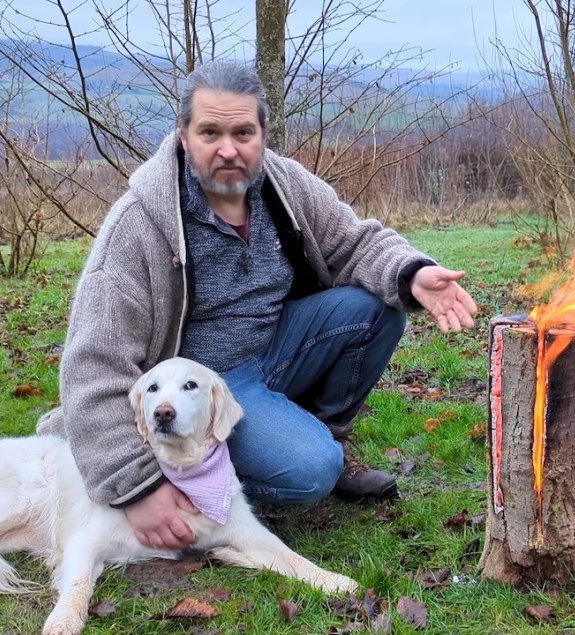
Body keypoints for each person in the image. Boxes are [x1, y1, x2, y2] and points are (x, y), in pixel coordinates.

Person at [36, 60, 477, 551]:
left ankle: (329, 435)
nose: (229, 149)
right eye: (210, 132)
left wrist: (414, 273)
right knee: (312, 473)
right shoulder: (139, 225)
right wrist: (136, 486)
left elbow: (355, 242)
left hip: (281, 348)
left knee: (376, 306)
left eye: (243, 131)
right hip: (205, 386)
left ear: (263, 134)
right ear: (184, 136)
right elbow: (92, 365)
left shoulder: (284, 186)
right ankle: (212, 467)